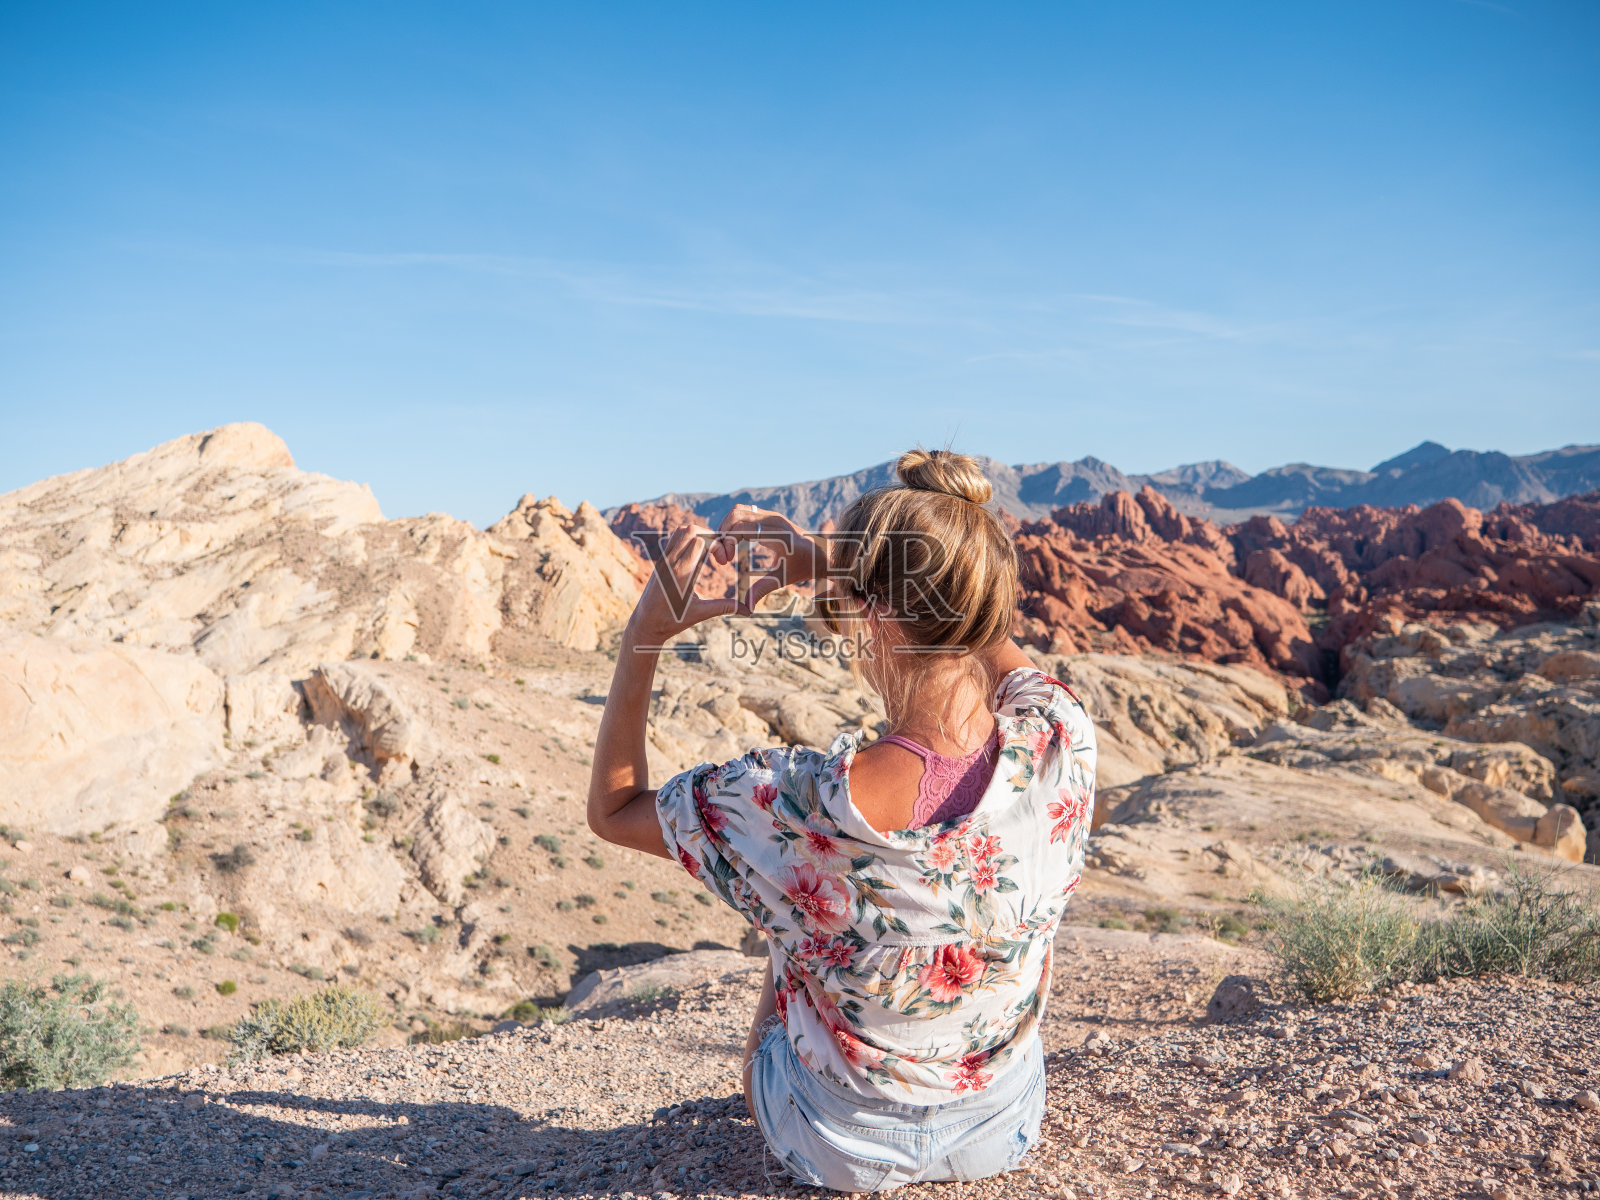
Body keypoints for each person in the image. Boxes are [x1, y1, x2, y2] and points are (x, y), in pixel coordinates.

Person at [587, 449, 1097, 1192]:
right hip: (1000, 1125)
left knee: (783, 890)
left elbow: (614, 809)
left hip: (836, 1144)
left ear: (870, 614)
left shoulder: (792, 803)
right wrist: (854, 563)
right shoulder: (1061, 738)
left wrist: (645, 634)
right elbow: (979, 624)